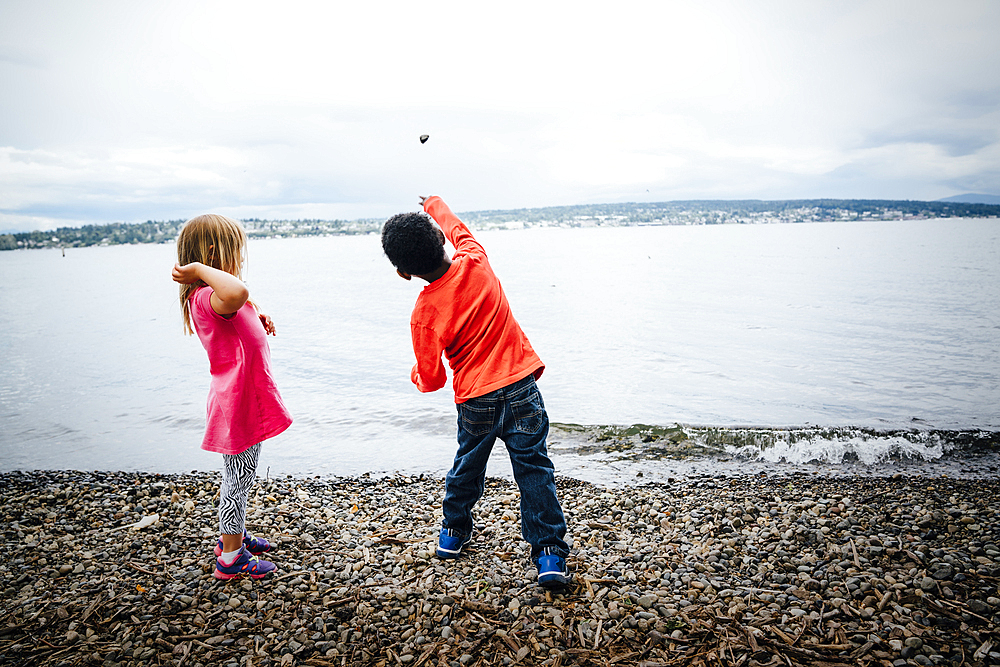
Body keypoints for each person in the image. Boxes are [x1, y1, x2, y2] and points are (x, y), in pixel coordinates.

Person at [381, 196, 570, 588]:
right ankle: (549, 554)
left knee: (467, 467)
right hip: (520, 389)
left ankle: (452, 533)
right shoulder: (476, 260)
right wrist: (434, 203)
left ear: (403, 274)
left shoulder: (424, 312)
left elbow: (431, 379)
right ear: (441, 240)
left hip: (475, 402)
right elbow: (457, 228)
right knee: (534, 469)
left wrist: (416, 375)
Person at [172, 214, 292, 580]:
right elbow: (235, 292)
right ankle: (230, 557)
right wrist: (198, 270)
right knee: (236, 482)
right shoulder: (208, 294)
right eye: (236, 252)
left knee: (241, 475)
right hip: (237, 403)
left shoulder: (214, 296)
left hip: (242, 399)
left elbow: (240, 299)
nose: (240, 261)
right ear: (212, 254)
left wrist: (256, 313)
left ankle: (234, 533)